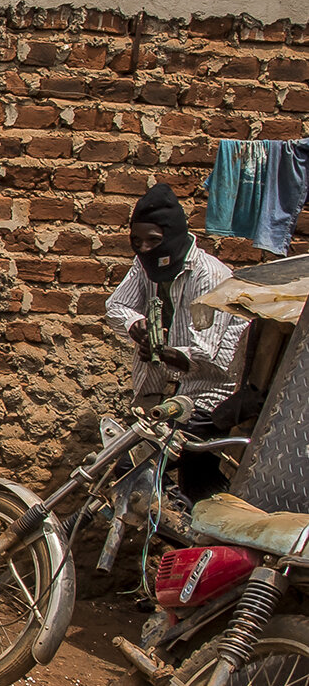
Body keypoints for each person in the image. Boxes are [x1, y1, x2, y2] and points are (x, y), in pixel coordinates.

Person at [104, 183, 247, 499]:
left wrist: (160, 350)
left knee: (139, 469)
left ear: (172, 236)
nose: (143, 249)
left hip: (210, 393)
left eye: (153, 241)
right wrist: (134, 324)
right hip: (167, 394)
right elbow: (116, 306)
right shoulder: (145, 265)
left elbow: (205, 354)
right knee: (182, 481)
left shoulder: (209, 275)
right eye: (136, 242)